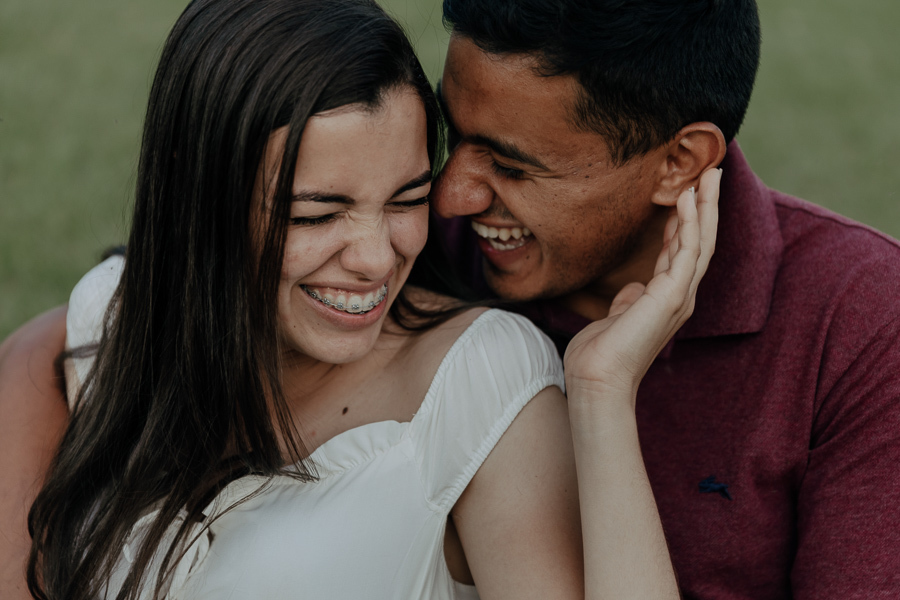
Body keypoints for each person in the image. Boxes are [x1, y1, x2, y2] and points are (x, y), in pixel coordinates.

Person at [1, 0, 721, 599]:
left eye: (407, 199)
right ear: (200, 198)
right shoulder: (111, 323)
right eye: (318, 214)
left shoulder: (481, 382)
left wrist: (600, 391)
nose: (377, 258)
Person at [428, 0, 900, 598]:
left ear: (679, 163)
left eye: (511, 167)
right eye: (450, 136)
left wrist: (600, 387)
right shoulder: (405, 251)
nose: (450, 197)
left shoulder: (863, 323)